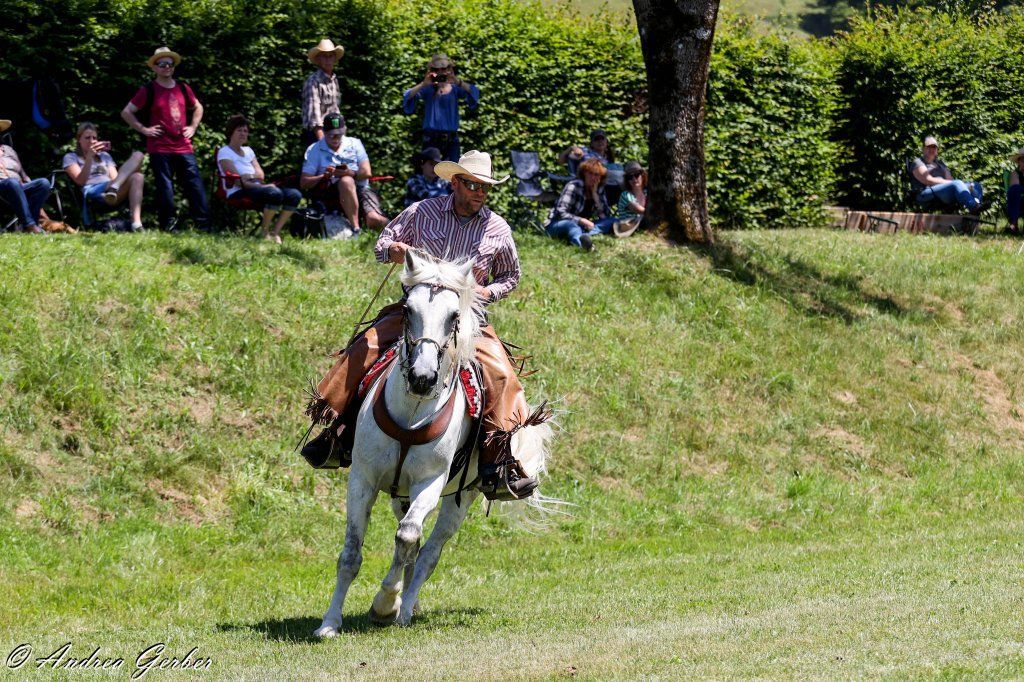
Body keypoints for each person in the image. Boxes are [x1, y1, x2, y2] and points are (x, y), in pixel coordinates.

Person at [301, 150, 541, 501]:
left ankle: (496, 463)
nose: (479, 193)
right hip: (415, 309)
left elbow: (511, 276)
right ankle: (339, 433)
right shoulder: (422, 211)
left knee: (501, 374)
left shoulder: (497, 228)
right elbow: (382, 245)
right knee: (365, 347)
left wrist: (485, 292)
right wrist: (395, 249)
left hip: (466, 317)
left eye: (485, 188)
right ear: (455, 182)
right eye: (473, 185)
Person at [121, 46, 210, 232]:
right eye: (161, 64)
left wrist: (193, 127)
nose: (166, 67)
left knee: (195, 185)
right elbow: (127, 112)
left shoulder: (184, 88)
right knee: (165, 188)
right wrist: (144, 129)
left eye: (169, 63)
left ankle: (203, 225)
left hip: (184, 146)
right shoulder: (148, 89)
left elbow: (198, 107)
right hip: (159, 147)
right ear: (154, 67)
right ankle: (168, 226)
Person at [218, 115, 302, 243]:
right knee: (274, 193)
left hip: (257, 188)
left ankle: (275, 232)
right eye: (239, 130)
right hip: (237, 192)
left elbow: (260, 175)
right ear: (231, 132)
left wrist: (250, 177)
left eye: (245, 131)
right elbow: (238, 181)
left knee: (294, 194)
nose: (243, 133)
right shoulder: (224, 152)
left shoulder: (248, 151)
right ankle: (264, 232)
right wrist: (259, 184)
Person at [300, 113, 388, 235]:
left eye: (339, 134)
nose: (336, 138)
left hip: (361, 189)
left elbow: (366, 172)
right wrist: (324, 176)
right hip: (329, 192)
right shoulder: (314, 149)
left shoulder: (355, 143)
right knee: (346, 181)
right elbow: (304, 182)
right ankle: (356, 229)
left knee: (375, 219)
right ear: (324, 132)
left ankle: (403, 233)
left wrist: (350, 173)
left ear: (345, 130)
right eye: (332, 135)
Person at [63, 122, 146, 231]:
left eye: (94, 138)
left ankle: (136, 224)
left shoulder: (104, 156)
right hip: (92, 191)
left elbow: (115, 177)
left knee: (138, 172)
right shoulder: (70, 157)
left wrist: (118, 182)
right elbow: (80, 181)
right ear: (79, 139)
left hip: (111, 190)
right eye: (87, 138)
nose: (92, 141)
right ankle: (114, 188)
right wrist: (89, 157)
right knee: (128, 178)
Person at [401, 53, 480, 162]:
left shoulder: (455, 88)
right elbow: (407, 96)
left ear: (449, 69)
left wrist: (456, 81)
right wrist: (424, 83)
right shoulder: (428, 89)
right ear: (432, 70)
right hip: (431, 139)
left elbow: (474, 92)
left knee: (453, 173)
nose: (440, 72)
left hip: (451, 139)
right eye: (436, 69)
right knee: (430, 172)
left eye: (443, 69)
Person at [545, 157, 616, 251]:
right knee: (571, 225)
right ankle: (585, 246)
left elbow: (606, 215)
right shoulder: (573, 186)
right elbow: (560, 212)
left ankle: (581, 235)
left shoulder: (599, 189)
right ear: (584, 173)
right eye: (590, 173)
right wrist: (581, 220)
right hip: (558, 223)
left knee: (612, 220)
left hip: (582, 226)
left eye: (597, 175)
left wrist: (595, 196)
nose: (593, 177)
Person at [909, 135, 988, 215]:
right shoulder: (918, 162)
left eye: (934, 147)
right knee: (957, 183)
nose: (932, 149)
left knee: (975, 185)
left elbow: (950, 180)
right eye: (929, 147)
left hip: (943, 191)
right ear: (923, 149)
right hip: (926, 193)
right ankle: (973, 207)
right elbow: (927, 180)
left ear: (937, 150)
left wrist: (951, 181)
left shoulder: (940, 164)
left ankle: (976, 210)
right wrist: (949, 183)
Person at [0, 120, 51, 234]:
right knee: (12, 183)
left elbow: (22, 173)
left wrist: (29, 182)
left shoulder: (8, 149)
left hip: (17, 185)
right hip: (3, 186)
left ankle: (30, 225)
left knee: (43, 183)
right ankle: (30, 225)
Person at [301, 39, 344, 150]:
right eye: (324, 56)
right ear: (318, 60)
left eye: (330, 56)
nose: (328, 60)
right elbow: (314, 116)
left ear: (335, 58)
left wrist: (340, 131)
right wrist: (323, 143)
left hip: (334, 131)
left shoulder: (334, 80)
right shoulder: (313, 81)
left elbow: (335, 109)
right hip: (317, 135)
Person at [1006, 148, 1024, 235]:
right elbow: (1015, 187)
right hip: (1020, 202)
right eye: (1023, 160)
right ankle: (1013, 222)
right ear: (1019, 162)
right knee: (1015, 189)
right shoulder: (1015, 173)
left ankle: (1013, 222)